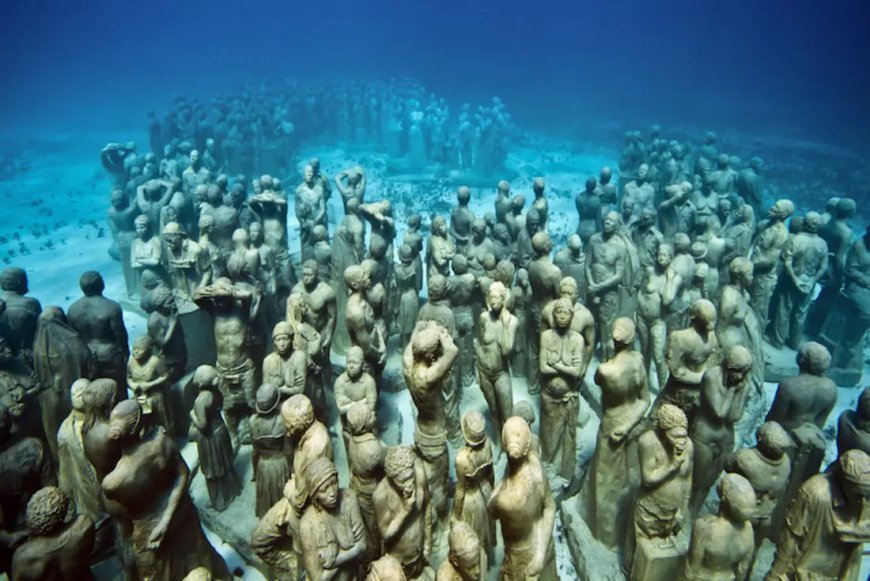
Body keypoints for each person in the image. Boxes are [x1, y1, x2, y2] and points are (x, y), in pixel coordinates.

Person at [102, 400, 229, 580]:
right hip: (180, 514)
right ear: (138, 424)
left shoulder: (112, 481)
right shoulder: (161, 441)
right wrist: (167, 519)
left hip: (150, 531)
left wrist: (162, 523)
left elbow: (119, 514)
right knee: (198, 555)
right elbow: (182, 474)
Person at [767, 450, 870, 581]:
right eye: (857, 495)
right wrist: (776, 574)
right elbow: (790, 537)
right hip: (805, 571)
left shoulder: (865, 498)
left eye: (868, 497)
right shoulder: (816, 493)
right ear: (843, 482)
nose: (863, 503)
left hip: (840, 569)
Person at [489, 416, 557, 581]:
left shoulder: (506, 499)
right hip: (544, 543)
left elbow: (491, 511)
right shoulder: (535, 464)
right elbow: (550, 507)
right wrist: (541, 554)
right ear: (527, 447)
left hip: (523, 559)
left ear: (504, 446)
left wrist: (537, 558)